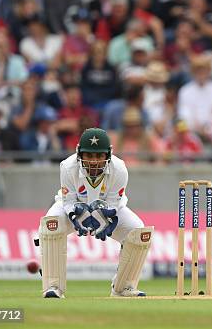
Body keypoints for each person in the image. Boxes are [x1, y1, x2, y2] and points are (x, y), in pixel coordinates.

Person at [37, 127, 153, 298]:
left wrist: (105, 219)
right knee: (51, 223)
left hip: (107, 212)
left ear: (108, 155)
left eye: (99, 155)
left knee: (139, 232)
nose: (94, 161)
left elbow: (113, 203)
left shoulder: (119, 169)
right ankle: (53, 286)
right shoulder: (68, 166)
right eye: (89, 155)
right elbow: (68, 200)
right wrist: (76, 216)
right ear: (79, 154)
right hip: (75, 208)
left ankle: (123, 288)